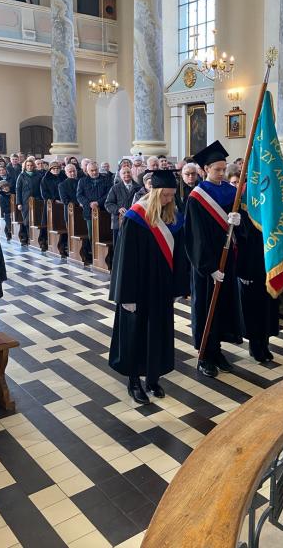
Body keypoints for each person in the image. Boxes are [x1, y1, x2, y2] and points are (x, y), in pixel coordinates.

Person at [109, 170, 187, 404]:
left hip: (161, 288)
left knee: (158, 334)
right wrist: (126, 296)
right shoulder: (136, 218)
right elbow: (125, 258)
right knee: (136, 335)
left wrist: (177, 287)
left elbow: (179, 256)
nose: (169, 200)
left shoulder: (173, 218)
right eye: (165, 195)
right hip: (138, 288)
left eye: (172, 195)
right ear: (154, 192)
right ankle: (134, 381)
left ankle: (153, 378)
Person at [184, 141, 243, 378]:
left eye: (223, 169)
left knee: (223, 307)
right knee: (206, 307)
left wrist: (239, 222)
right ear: (205, 169)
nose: (221, 173)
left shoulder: (230, 192)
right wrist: (208, 267)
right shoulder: (197, 198)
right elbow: (195, 237)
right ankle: (204, 356)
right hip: (206, 266)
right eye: (217, 169)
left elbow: (242, 228)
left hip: (227, 260)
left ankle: (217, 351)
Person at [237, 210, 279, 362]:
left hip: (268, 260)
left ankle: (264, 342)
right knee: (252, 307)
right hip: (249, 263)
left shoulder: (266, 205)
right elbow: (240, 239)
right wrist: (242, 271)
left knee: (267, 305)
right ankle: (255, 344)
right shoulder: (241, 206)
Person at [77, 161, 111, 252]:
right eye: (92, 171)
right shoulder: (82, 181)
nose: (94, 172)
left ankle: (103, 253)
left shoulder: (106, 179)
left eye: (96, 170)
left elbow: (109, 194)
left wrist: (98, 203)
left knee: (105, 233)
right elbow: (79, 195)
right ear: (87, 171)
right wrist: (89, 203)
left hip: (104, 210)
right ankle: (94, 253)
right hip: (89, 212)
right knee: (92, 234)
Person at [105, 166, 139, 247]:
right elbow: (108, 204)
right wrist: (118, 209)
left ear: (132, 173)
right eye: (124, 173)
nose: (126, 174)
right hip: (118, 221)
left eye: (128, 172)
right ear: (120, 175)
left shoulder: (138, 187)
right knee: (118, 246)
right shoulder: (115, 188)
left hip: (134, 221)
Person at [15, 158, 44, 248]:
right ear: (25, 166)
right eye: (28, 165)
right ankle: (28, 238)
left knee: (37, 219)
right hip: (25, 201)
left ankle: (37, 240)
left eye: (31, 165)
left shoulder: (38, 175)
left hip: (37, 200)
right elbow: (18, 190)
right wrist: (19, 203)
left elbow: (41, 187)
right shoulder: (21, 176)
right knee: (27, 220)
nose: (29, 167)